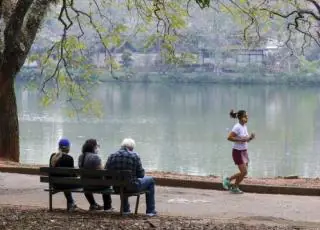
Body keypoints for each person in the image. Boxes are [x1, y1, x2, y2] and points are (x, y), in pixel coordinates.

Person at [105, 138, 157, 217]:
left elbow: (107, 173)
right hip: (132, 187)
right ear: (132, 148)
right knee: (150, 180)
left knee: (122, 181)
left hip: (117, 187)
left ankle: (126, 210)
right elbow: (141, 175)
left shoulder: (111, 156)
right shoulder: (134, 155)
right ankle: (150, 211)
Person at [223, 110, 255, 194]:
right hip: (237, 152)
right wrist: (242, 139)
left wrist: (250, 138)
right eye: (245, 116)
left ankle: (235, 187)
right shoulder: (237, 127)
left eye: (247, 116)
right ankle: (228, 179)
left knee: (244, 173)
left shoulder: (244, 126)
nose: (247, 118)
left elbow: (246, 139)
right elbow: (229, 137)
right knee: (244, 172)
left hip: (244, 151)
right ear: (240, 118)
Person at [78, 139, 113, 211]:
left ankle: (93, 204)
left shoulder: (81, 157)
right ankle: (107, 206)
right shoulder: (95, 157)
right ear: (93, 147)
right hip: (97, 185)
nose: (98, 148)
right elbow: (102, 172)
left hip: (85, 185)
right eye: (97, 146)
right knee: (107, 183)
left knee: (88, 182)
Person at [49, 138, 78, 211]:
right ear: (68, 148)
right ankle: (71, 203)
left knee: (65, 180)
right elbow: (72, 175)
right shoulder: (69, 158)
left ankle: (71, 203)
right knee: (69, 182)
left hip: (54, 184)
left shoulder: (53, 156)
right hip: (65, 184)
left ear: (59, 147)